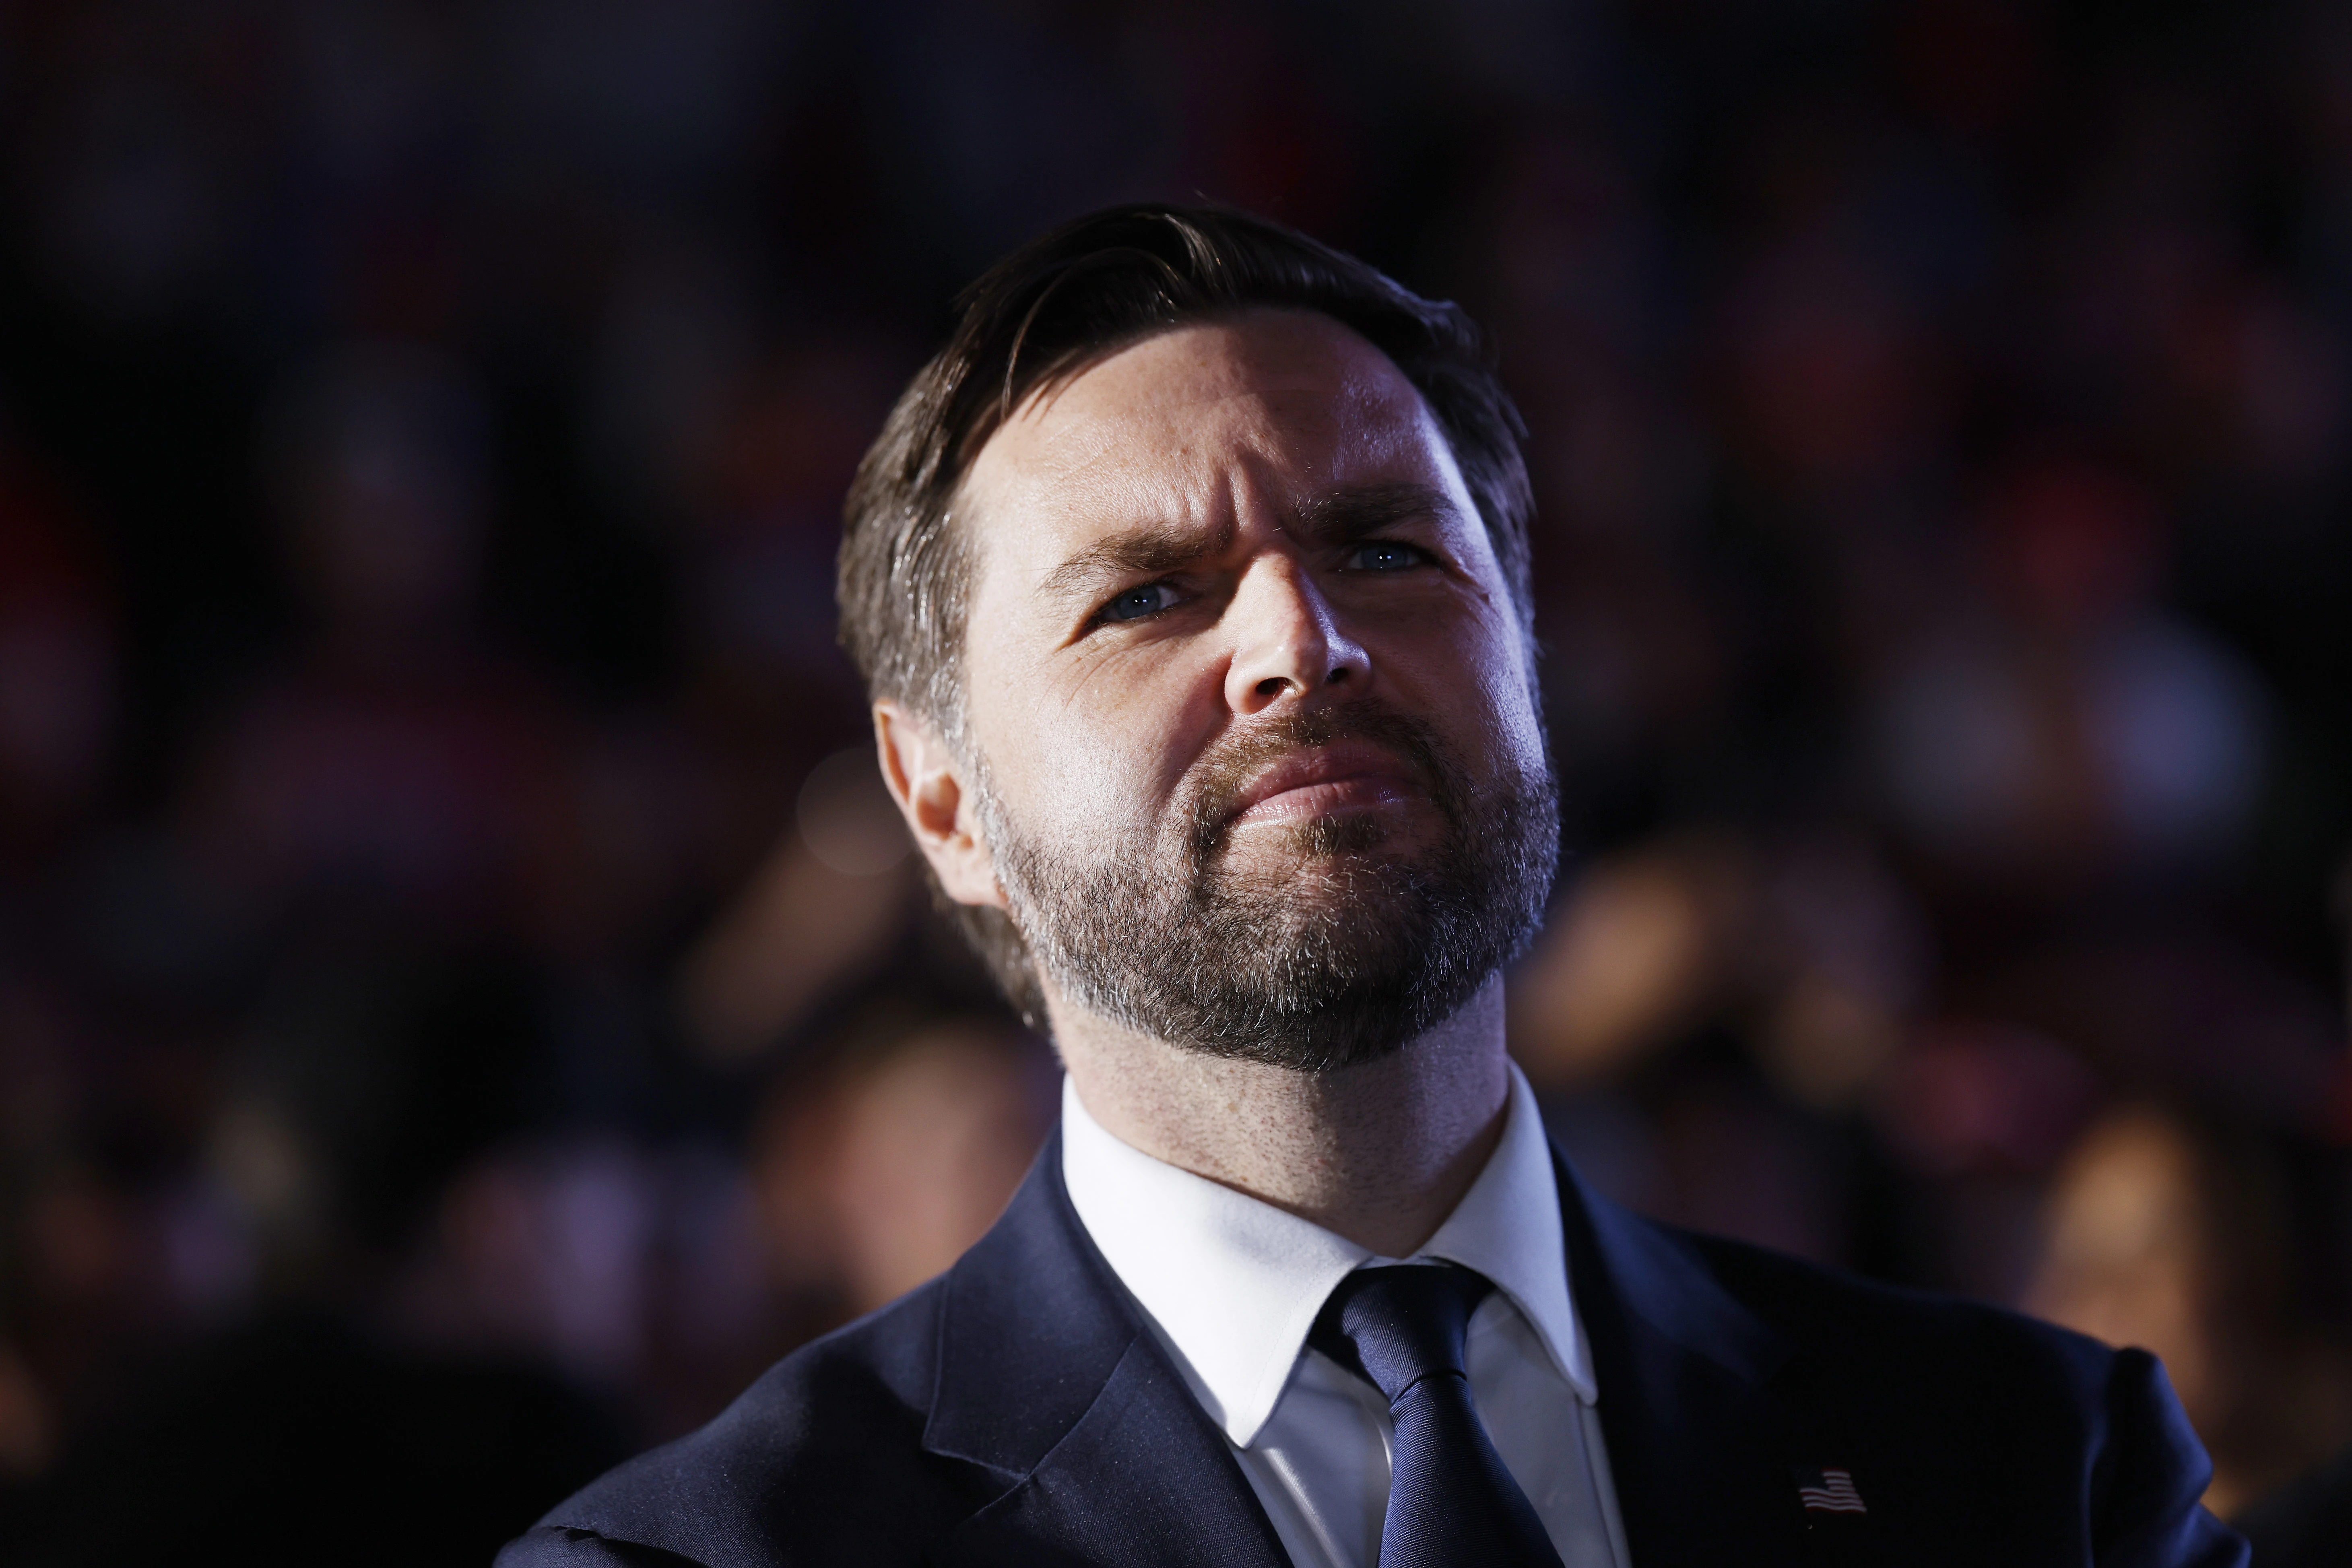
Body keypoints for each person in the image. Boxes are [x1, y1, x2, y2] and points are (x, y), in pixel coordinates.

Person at [499, 205, 2245, 1567]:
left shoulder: (2042, 1471)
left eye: (1387, 548)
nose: (1299, 641)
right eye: (1145, 596)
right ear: (941, 797)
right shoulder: (705, 1555)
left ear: (1531, 650)